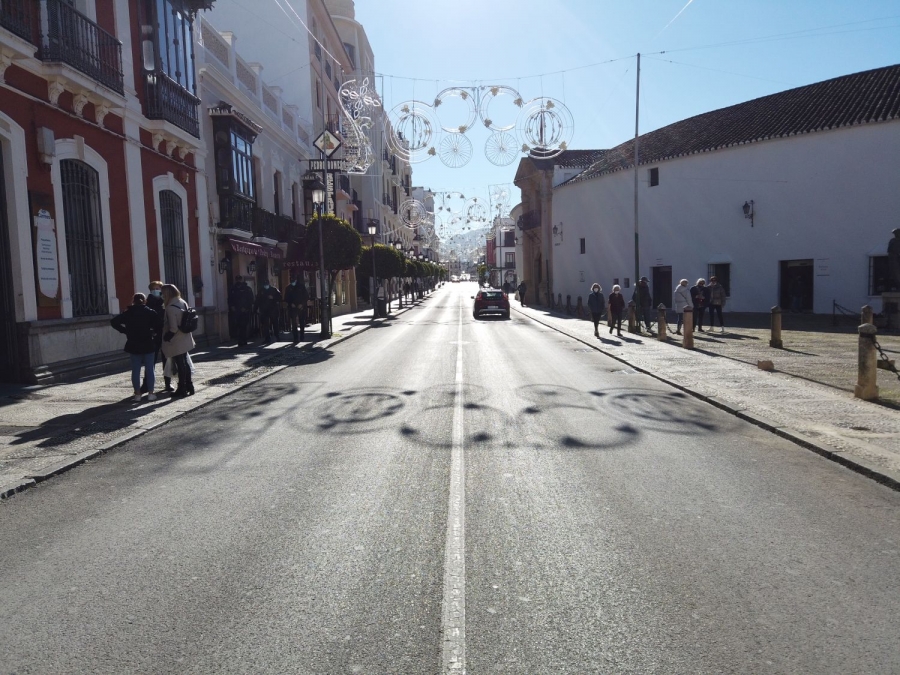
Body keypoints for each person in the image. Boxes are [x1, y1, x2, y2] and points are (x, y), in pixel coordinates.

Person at [111, 293, 163, 402]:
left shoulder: (128, 313)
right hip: (148, 343)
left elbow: (114, 322)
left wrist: (125, 331)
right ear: (145, 301)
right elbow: (159, 325)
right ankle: (151, 393)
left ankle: (137, 394)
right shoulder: (150, 312)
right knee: (150, 369)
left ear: (133, 301)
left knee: (135, 370)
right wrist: (153, 332)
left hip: (133, 343)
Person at [160, 284, 195, 397]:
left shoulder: (170, 308)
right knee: (185, 363)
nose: (161, 295)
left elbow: (173, 328)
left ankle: (182, 388)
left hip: (176, 340)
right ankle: (189, 385)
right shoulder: (182, 302)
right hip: (185, 337)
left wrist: (166, 337)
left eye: (162, 293)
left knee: (180, 364)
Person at [144, 280, 167, 392]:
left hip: (164, 334)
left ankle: (168, 382)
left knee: (166, 359)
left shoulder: (165, 302)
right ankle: (146, 384)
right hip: (153, 335)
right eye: (154, 289)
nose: (155, 290)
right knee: (150, 361)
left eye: (158, 288)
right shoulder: (147, 303)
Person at [229, 275, 255, 347]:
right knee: (237, 325)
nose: (238, 281)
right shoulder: (233, 289)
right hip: (236, 310)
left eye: (239, 279)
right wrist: (232, 306)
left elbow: (251, 300)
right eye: (237, 279)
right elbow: (230, 299)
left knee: (244, 326)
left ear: (241, 280)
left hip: (245, 311)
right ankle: (240, 340)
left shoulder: (247, 289)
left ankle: (244, 339)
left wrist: (246, 308)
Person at [256, 277, 282, 344]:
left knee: (275, 324)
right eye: (265, 284)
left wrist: (273, 297)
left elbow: (280, 298)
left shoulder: (274, 290)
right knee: (265, 325)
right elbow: (258, 300)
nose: (266, 285)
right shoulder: (261, 290)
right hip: (264, 310)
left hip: (273, 309)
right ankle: (267, 338)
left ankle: (277, 336)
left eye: (266, 284)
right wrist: (256, 308)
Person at [283, 275, 309, 343]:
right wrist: (290, 303)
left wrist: (302, 304)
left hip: (301, 307)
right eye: (291, 281)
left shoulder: (301, 287)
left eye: (293, 281)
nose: (292, 282)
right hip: (293, 308)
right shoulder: (288, 288)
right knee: (294, 323)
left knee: (302, 322)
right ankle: (295, 338)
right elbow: (286, 298)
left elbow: (306, 296)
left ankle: (302, 336)